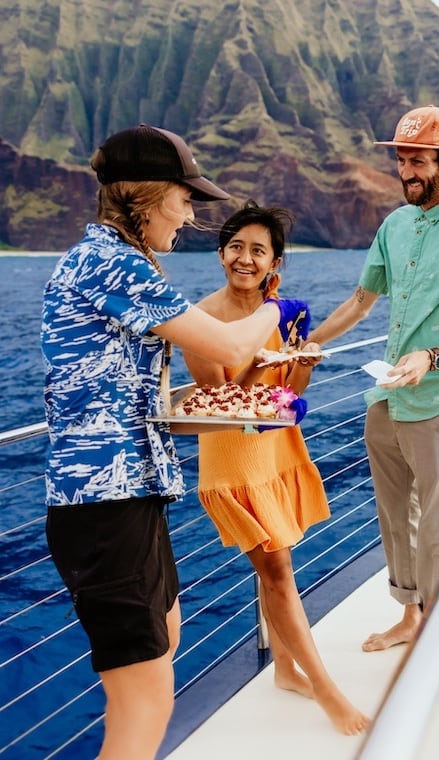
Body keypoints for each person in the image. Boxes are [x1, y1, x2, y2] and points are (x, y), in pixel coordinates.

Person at [41, 125, 310, 760]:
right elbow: (230, 345)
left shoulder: (111, 261)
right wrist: (278, 307)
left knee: (165, 636)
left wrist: (243, 411)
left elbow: (146, 404)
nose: (190, 216)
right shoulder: (113, 262)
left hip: (128, 496)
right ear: (149, 196)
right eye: (184, 200)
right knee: (146, 697)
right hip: (105, 507)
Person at [308, 105, 439, 652]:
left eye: (418, 161)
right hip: (389, 393)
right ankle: (411, 617)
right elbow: (360, 301)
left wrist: (433, 357)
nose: (407, 173)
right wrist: (310, 346)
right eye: (401, 160)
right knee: (395, 514)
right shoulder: (394, 224)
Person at [182, 200, 369, 735]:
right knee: (279, 571)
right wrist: (258, 368)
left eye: (257, 250)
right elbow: (221, 401)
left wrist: (298, 365)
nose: (245, 258)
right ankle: (328, 692)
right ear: (220, 254)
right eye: (236, 247)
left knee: (273, 564)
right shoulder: (203, 318)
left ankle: (285, 669)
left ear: (273, 266)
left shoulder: (283, 313)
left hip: (275, 447)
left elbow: (287, 398)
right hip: (233, 457)